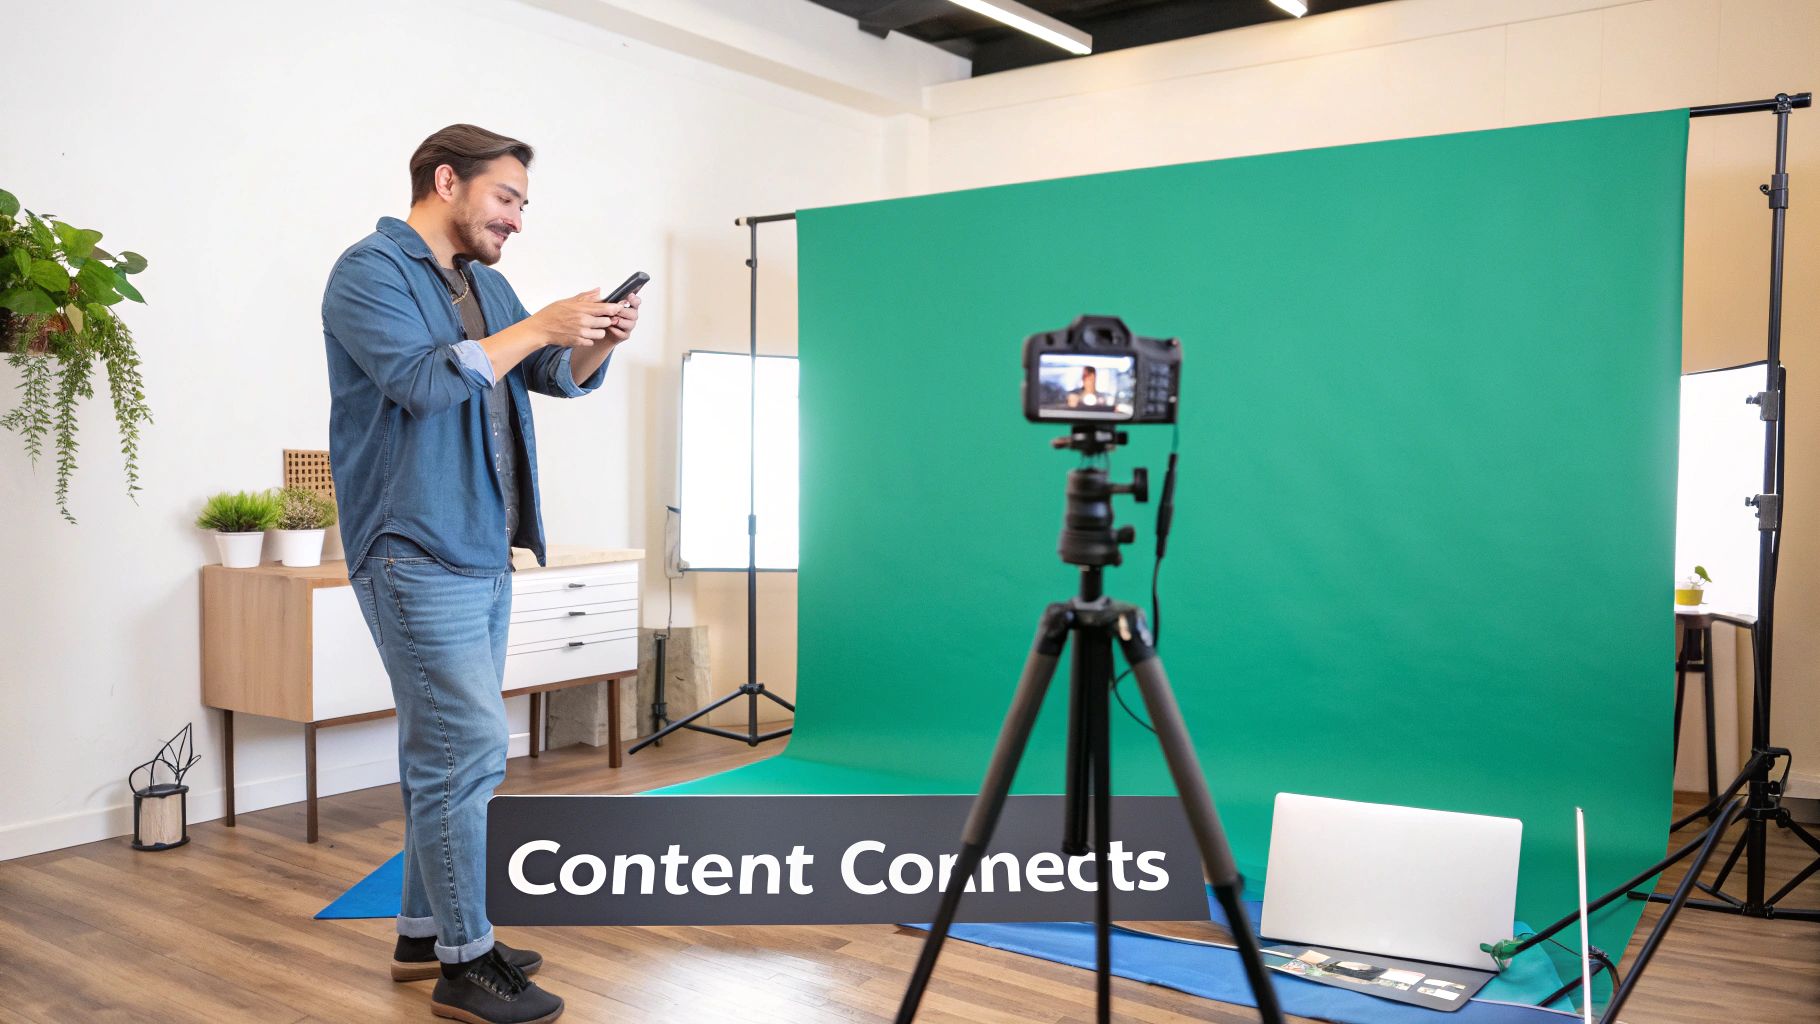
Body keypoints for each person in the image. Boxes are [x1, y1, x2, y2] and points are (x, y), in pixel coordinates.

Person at [322, 123, 639, 1024]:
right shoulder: (368, 272)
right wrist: (539, 322)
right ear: (448, 181)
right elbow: (424, 384)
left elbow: (545, 372)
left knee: (442, 751)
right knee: (470, 755)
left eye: (523, 205)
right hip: (411, 548)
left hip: (482, 547)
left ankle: (425, 930)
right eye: (507, 199)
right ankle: (467, 963)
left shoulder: (484, 284)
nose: (517, 220)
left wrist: (596, 339)